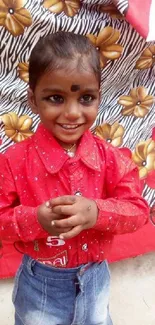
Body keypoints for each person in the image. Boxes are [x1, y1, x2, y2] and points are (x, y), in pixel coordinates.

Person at [0, 31, 149, 325]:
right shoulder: (13, 161)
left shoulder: (112, 158)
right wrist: (35, 220)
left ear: (98, 97)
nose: (72, 113)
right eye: (55, 98)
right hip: (41, 288)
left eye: (85, 98)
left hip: (95, 282)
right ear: (33, 99)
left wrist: (96, 211)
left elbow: (139, 211)